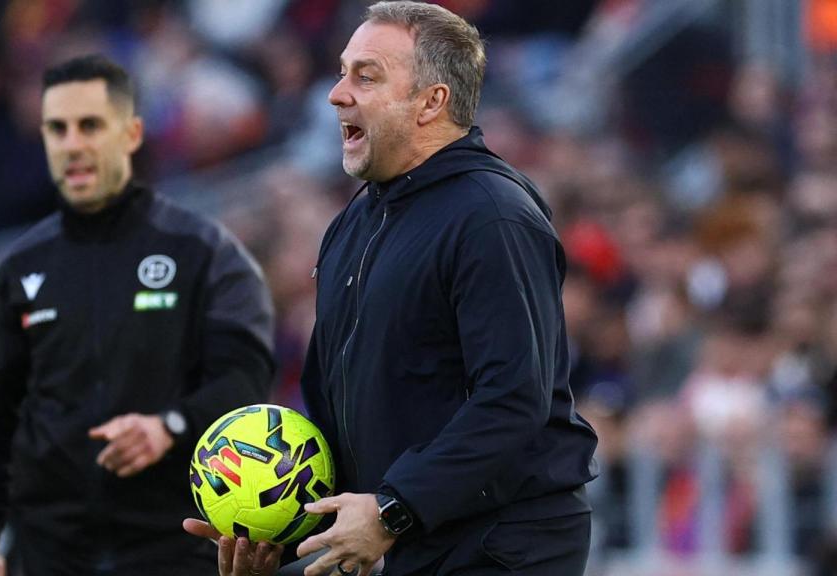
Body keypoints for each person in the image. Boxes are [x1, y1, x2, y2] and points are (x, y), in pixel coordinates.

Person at [185, 2, 598, 575]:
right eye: (341, 71)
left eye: (366, 76)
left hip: (501, 546)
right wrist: (285, 527)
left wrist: (393, 510)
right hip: (411, 536)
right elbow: (337, 408)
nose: (336, 94)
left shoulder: (491, 216)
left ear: (433, 101)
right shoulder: (352, 223)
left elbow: (511, 400)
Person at [0, 54, 275, 576]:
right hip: (46, 554)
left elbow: (246, 382)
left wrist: (168, 427)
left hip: (176, 549)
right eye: (57, 129)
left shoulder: (205, 251)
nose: (73, 143)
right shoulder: (17, 270)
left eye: (90, 125)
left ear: (131, 133)